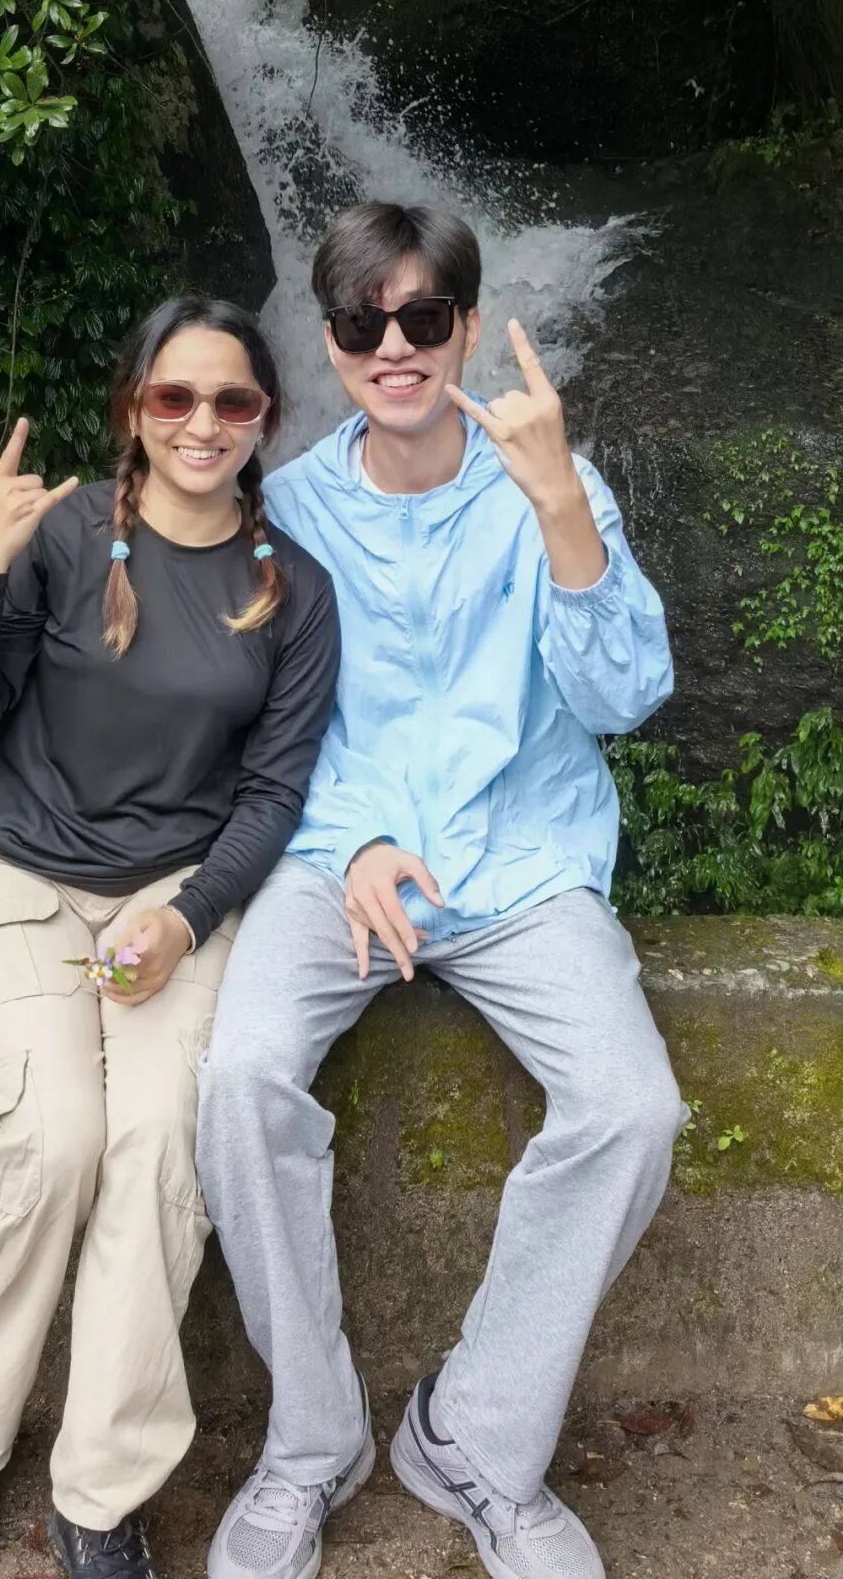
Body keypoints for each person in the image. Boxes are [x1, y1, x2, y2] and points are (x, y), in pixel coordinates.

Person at [197, 203, 684, 1579]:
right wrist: (349, 838)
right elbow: (264, 733)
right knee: (239, 1079)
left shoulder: (553, 481)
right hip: (341, 862)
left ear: (468, 328)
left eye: (422, 317)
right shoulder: (288, 511)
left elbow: (625, 696)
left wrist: (561, 506)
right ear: (332, 342)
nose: (394, 346)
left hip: (521, 859)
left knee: (634, 1106)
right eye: (365, 322)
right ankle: (312, 1440)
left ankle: (473, 1437)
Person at [0, 296, 340, 1579]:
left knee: (157, 1148)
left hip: (178, 897)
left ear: (265, 419)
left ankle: (102, 1491)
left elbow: (275, 794)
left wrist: (188, 919)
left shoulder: (293, 591)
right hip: (21, 879)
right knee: (54, 1138)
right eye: (173, 397)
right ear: (134, 406)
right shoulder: (62, 536)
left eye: (233, 401)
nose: (203, 423)